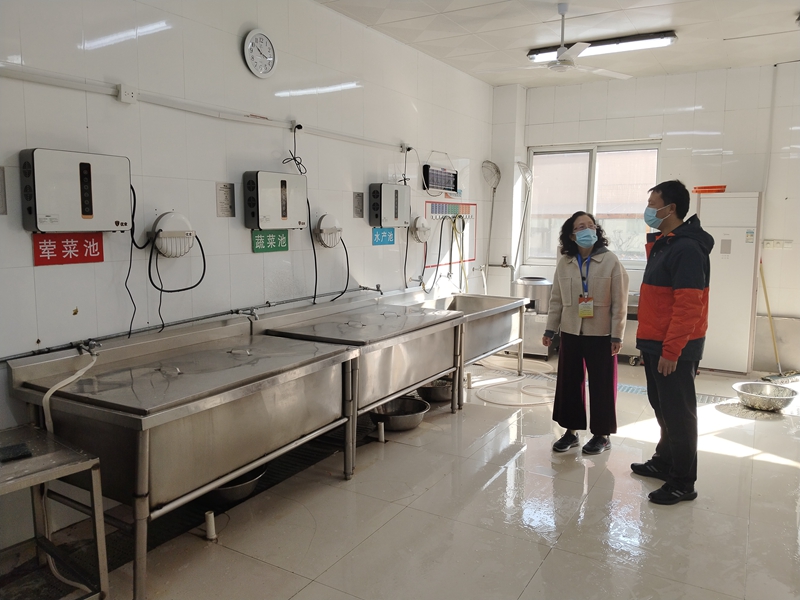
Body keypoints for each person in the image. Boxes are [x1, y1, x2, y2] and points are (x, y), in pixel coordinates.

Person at [632, 179, 714, 505]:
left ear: (671, 208)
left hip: (673, 347)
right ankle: (665, 461)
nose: (648, 210)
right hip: (655, 341)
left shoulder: (687, 249)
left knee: (679, 414)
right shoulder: (666, 243)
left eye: (653, 204)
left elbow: (689, 306)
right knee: (662, 407)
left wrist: (672, 350)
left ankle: (683, 481)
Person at [544, 211, 629, 455]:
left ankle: (602, 435)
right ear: (572, 235)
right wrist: (550, 329)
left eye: (591, 225)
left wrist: (617, 335)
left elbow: (620, 302)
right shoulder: (565, 262)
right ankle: (570, 432)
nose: (587, 230)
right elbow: (556, 299)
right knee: (569, 382)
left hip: (601, 334)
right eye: (581, 226)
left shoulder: (610, 261)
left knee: (602, 384)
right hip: (571, 331)